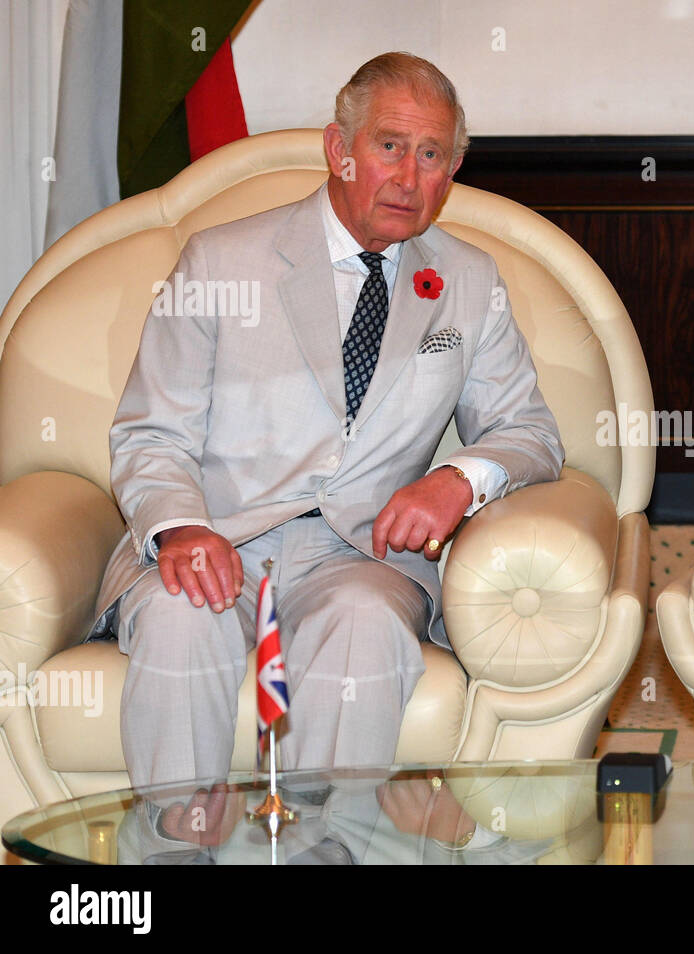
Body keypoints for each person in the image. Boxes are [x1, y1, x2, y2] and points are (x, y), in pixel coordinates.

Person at [91, 52, 564, 841]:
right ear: (338, 150)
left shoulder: (470, 284)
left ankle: (327, 855)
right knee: (180, 617)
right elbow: (150, 430)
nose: (410, 177)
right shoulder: (221, 260)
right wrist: (180, 527)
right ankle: (176, 859)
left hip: (360, 557)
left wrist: (456, 480)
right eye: (390, 147)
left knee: (365, 625)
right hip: (221, 534)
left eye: (433, 155)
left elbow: (530, 432)